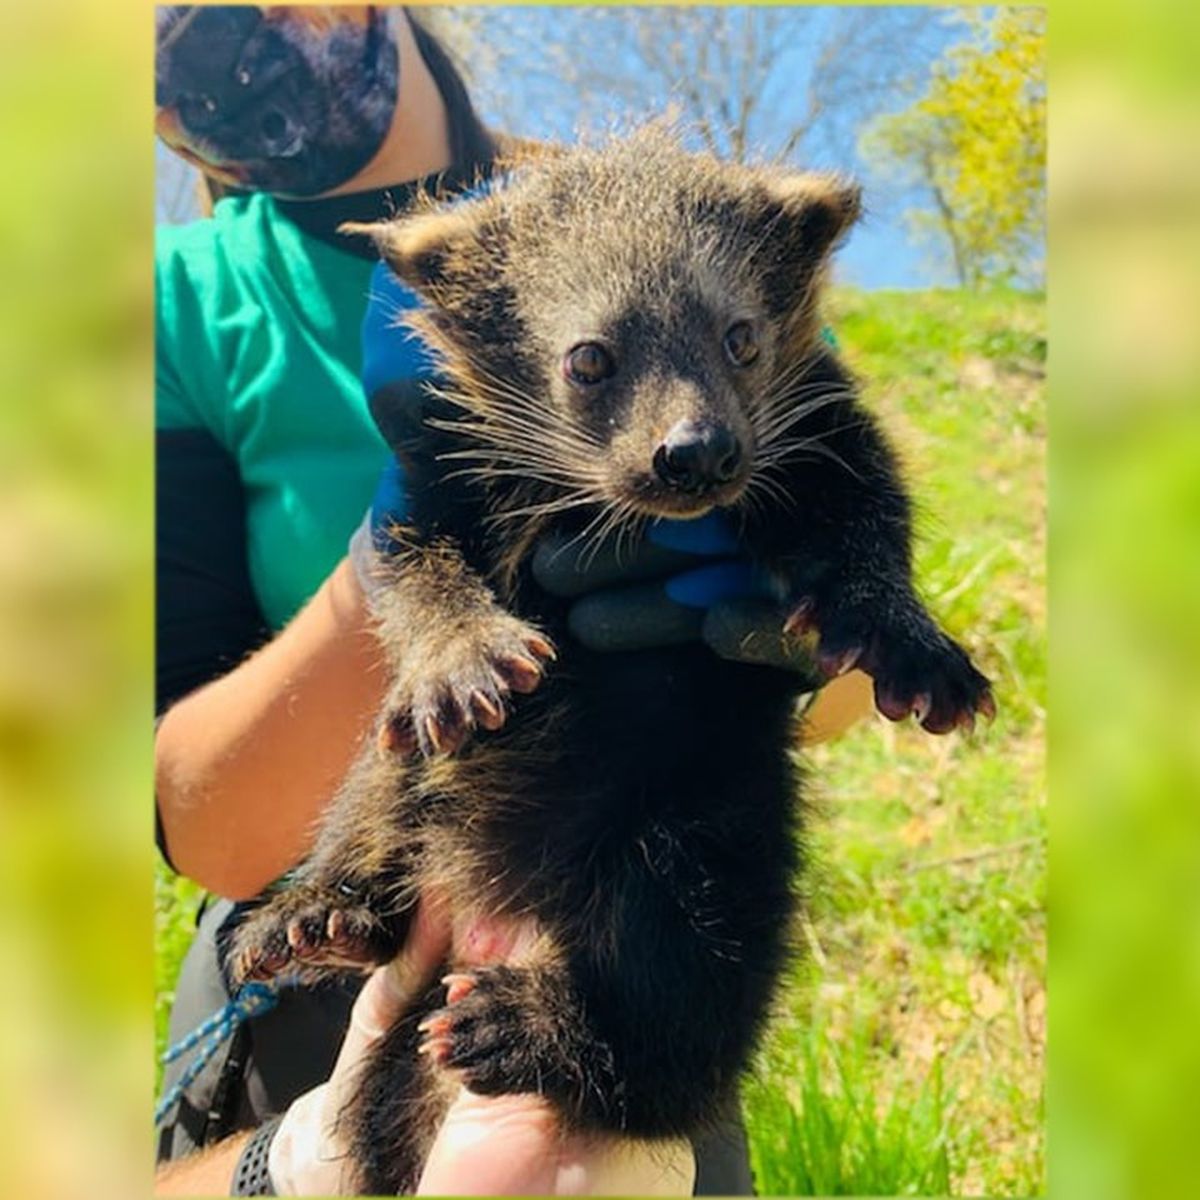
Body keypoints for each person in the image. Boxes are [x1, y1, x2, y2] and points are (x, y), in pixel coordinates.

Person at [154, 5, 870, 1192]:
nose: (220, 39)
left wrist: (808, 632)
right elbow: (204, 826)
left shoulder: (688, 224)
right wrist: (408, 561)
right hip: (341, 942)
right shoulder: (181, 304)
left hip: (631, 894)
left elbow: (829, 694)